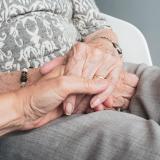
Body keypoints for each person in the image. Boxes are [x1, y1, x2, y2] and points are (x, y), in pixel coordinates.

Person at [0, 0, 160, 160]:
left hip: (88, 67)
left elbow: (95, 24)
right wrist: (36, 82)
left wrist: (103, 53)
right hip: (19, 105)